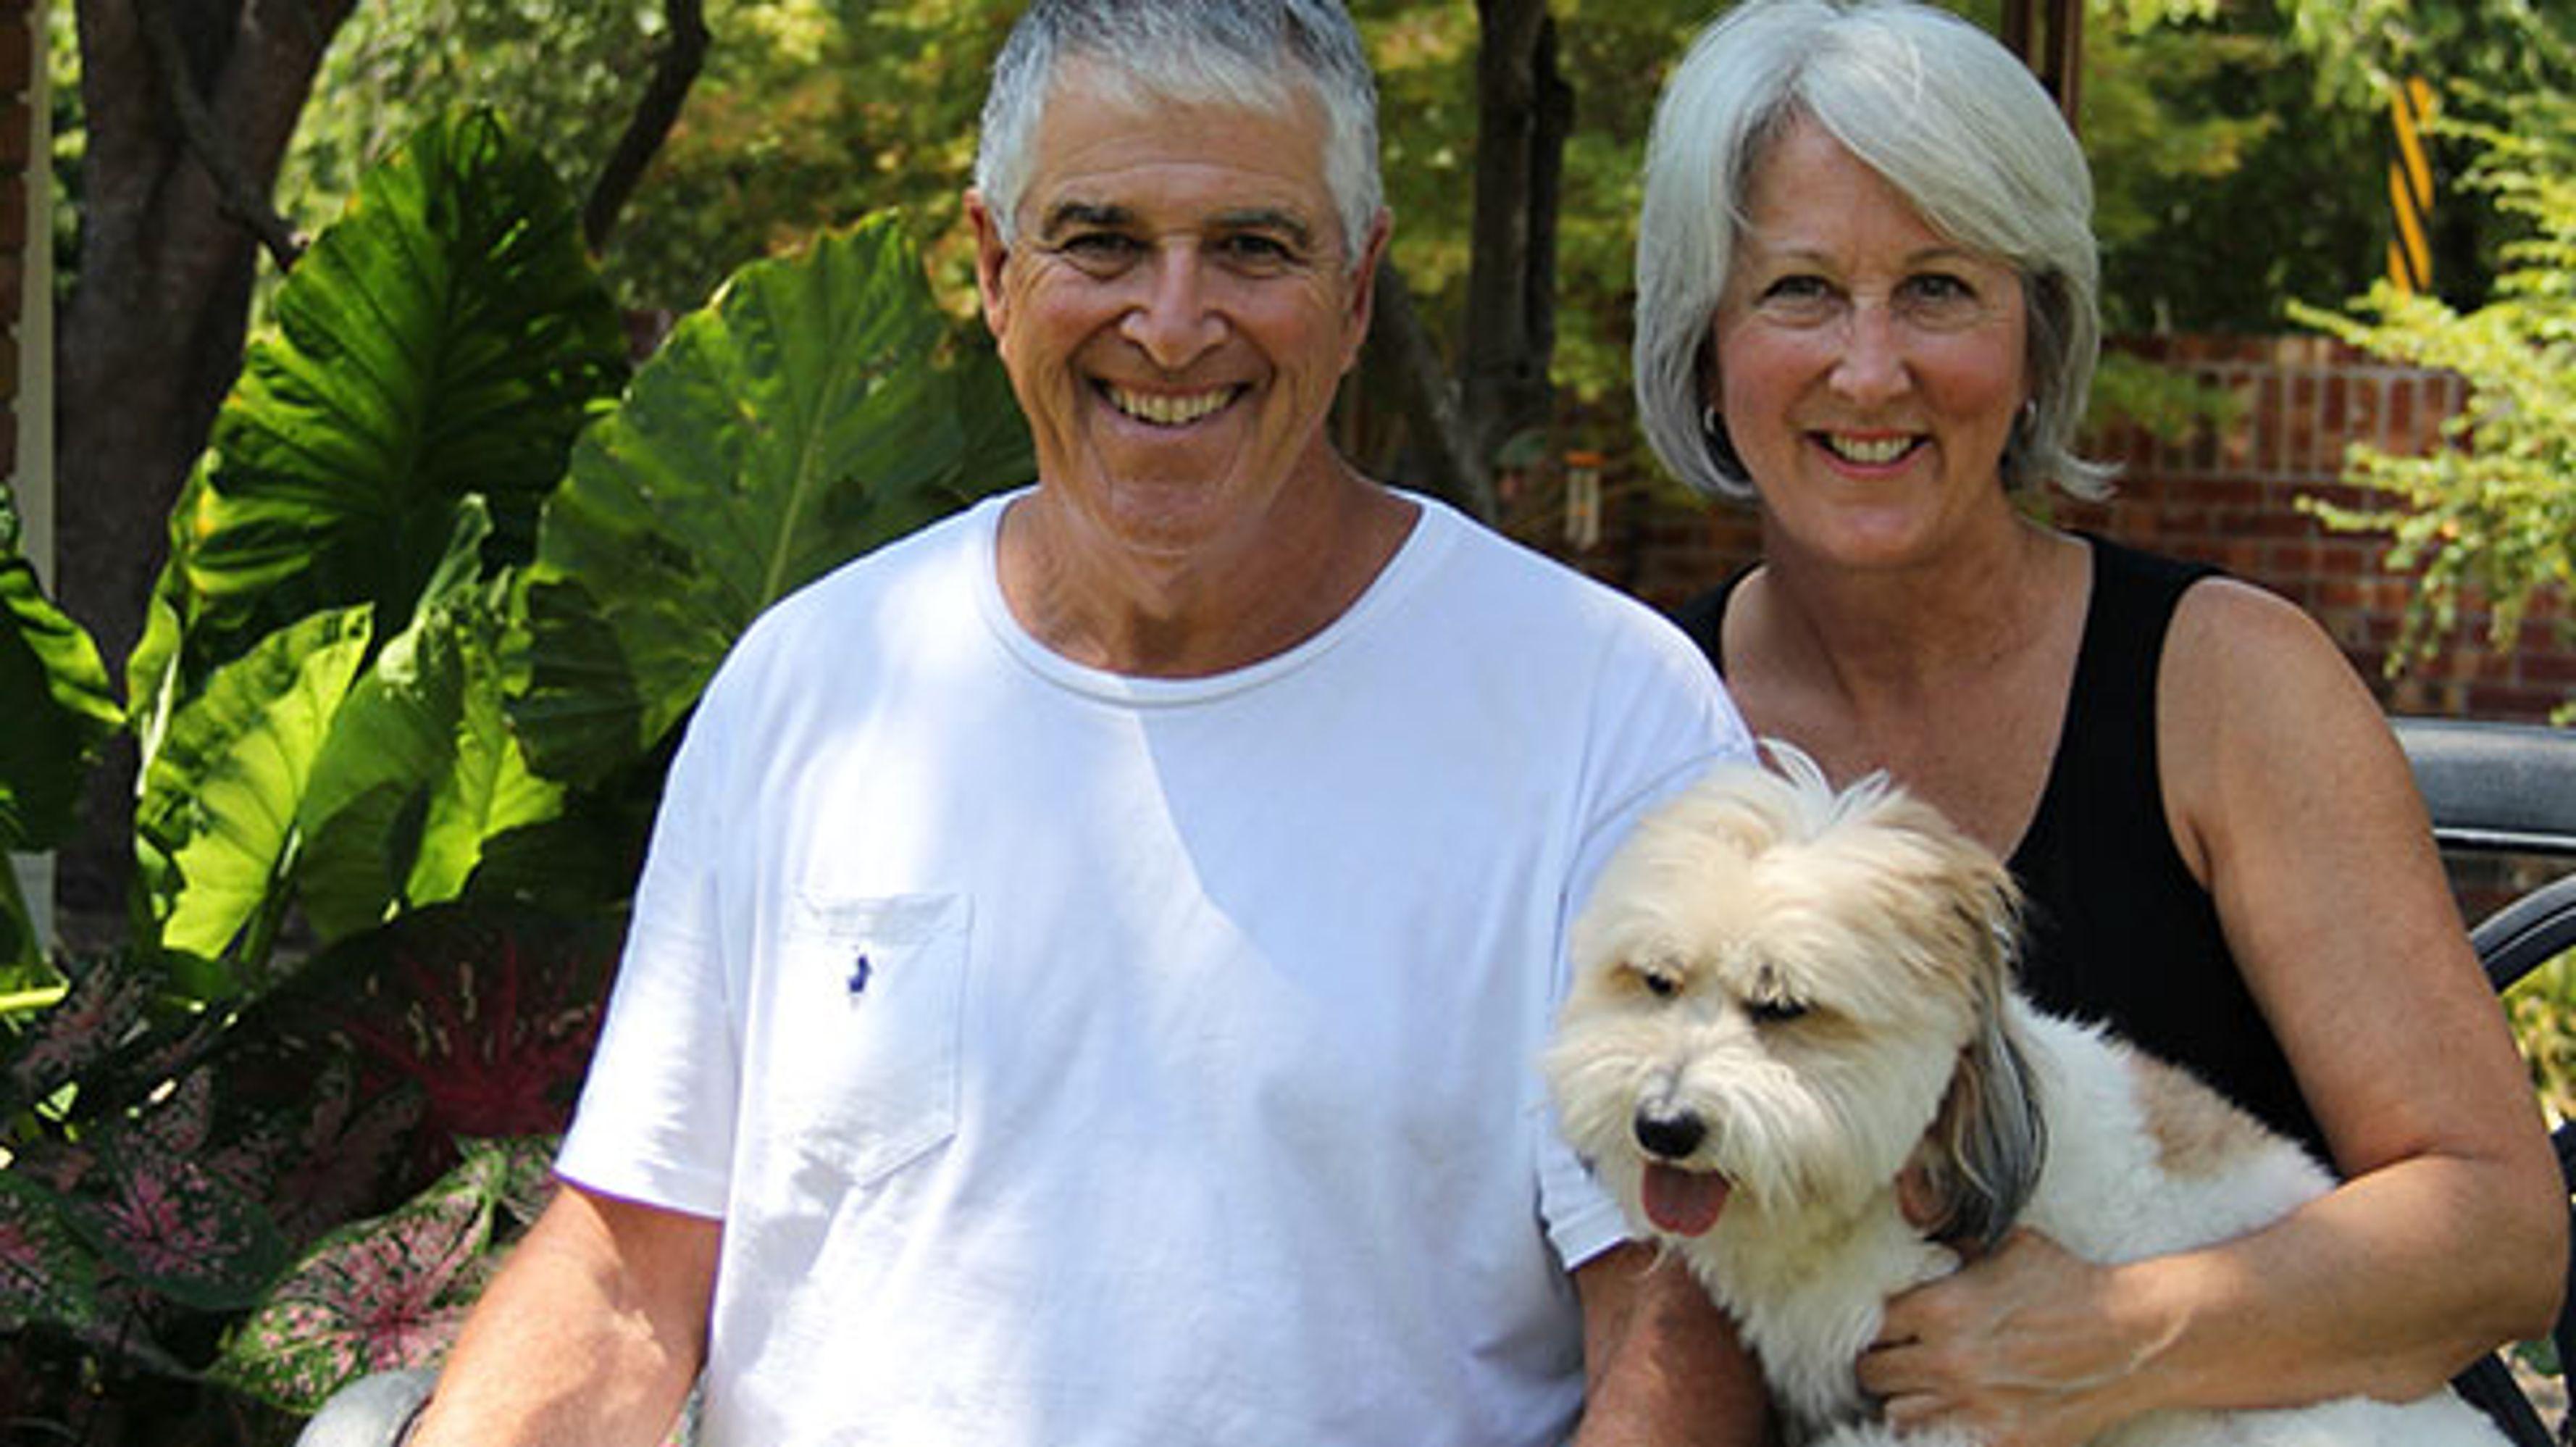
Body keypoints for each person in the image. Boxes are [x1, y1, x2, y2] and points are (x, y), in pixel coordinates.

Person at [371, 3, 1774, 1445]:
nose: (1169, 324)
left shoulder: (1594, 713)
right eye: (1099, 242)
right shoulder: (816, 686)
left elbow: (1675, 1322)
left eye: (1251, 246)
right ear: (992, 266)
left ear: (1357, 291)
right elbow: (627, 1277)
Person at [1628, 2, 2566, 1444]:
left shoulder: (2223, 687)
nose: (1869, 371)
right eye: (1799, 291)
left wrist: (2123, 1335)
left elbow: (2496, 1232)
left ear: (2033, 334)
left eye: (1937, 290)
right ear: (1704, 340)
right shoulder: (1636, 711)